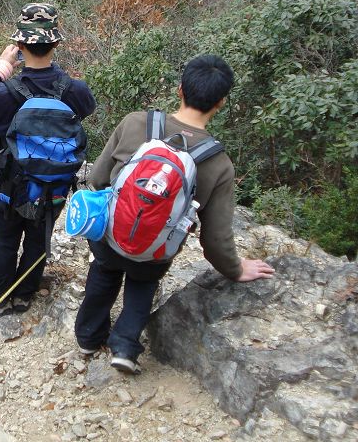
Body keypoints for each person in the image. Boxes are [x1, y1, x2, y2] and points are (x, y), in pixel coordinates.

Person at [74, 54, 275, 375]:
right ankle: (125, 345)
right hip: (154, 252)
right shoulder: (218, 163)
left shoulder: (135, 123)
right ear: (220, 103)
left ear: (180, 90)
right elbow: (215, 239)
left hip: (110, 236)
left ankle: (87, 336)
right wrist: (235, 270)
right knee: (142, 286)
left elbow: (97, 179)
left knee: (103, 274)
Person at [0, 3, 96, 316]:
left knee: (4, 239)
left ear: (20, 46)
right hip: (51, 183)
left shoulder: (2, 92)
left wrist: (0, 66)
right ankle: (24, 293)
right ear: (55, 43)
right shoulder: (75, 89)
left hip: (7, 181)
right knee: (39, 239)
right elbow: (86, 109)